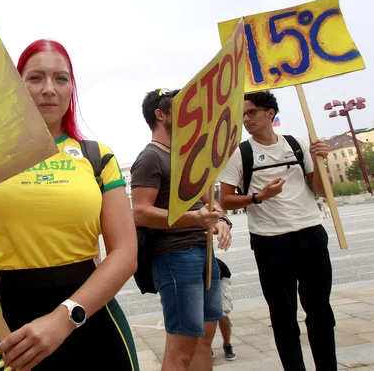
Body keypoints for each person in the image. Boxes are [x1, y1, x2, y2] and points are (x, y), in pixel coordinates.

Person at [0, 39, 139, 371]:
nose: (49, 89)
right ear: (17, 87)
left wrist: (64, 319)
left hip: (89, 315)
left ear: (72, 88)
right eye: (35, 78)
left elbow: (125, 255)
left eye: (60, 78)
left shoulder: (97, 156)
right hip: (10, 324)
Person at [218, 91, 336, 370]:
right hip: (271, 242)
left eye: (252, 112)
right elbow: (226, 200)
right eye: (243, 114)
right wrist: (259, 197)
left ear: (270, 113)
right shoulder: (240, 154)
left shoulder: (298, 145)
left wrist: (322, 161)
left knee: (320, 312)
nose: (246, 119)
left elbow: (320, 189)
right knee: (283, 317)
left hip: (310, 233)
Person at [130, 88, 232, 371]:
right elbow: (139, 212)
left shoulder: (186, 156)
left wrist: (221, 220)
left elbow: (210, 202)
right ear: (160, 115)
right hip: (175, 257)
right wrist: (195, 218)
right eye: (180, 108)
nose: (190, 114)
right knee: (182, 346)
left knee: (204, 338)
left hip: (204, 252)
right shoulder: (150, 157)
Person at [215, 258, 236, 361]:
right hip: (203, 281)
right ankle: (205, 346)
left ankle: (227, 344)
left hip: (221, 277)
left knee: (222, 313)